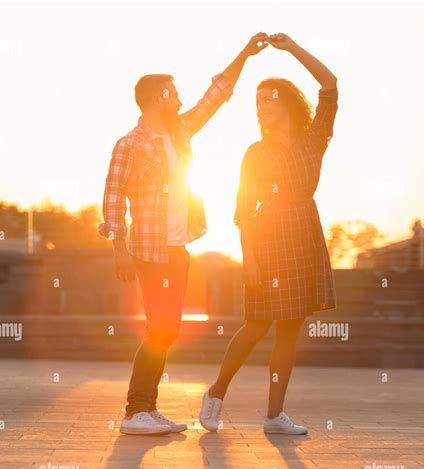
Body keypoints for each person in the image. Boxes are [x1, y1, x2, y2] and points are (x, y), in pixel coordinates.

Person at [99, 33, 269, 435]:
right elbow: (112, 197)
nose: (179, 100)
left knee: (167, 328)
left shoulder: (179, 133)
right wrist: (118, 248)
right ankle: (135, 410)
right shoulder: (130, 144)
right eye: (173, 94)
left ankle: (146, 407)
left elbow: (217, 94)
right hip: (148, 249)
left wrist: (244, 53)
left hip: (177, 248)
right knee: (160, 328)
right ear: (158, 97)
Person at [199, 33, 339, 435]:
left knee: (290, 330)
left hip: (304, 234)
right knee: (257, 324)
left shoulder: (313, 141)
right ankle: (216, 393)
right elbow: (244, 210)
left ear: (287, 103)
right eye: (258, 100)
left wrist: (293, 48)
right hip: (268, 236)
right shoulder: (254, 154)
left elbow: (329, 84)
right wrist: (251, 260)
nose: (262, 104)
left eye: (269, 96)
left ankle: (274, 415)